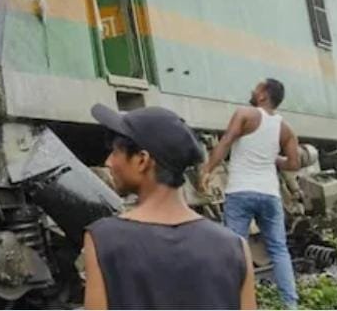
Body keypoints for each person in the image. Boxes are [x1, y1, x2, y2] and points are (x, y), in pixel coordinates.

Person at [83, 104, 256, 310]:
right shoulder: (235, 247)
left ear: (142, 160)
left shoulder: (104, 240)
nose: (108, 162)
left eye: (115, 152)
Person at [198, 78, 300, 308]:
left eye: (257, 88)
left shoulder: (245, 114)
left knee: (235, 250)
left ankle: (235, 302)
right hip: (270, 195)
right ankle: (290, 304)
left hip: (241, 192)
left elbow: (226, 142)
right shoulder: (285, 128)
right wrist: (273, 158)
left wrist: (207, 170)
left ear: (263, 95)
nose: (253, 91)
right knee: (279, 249)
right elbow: (294, 164)